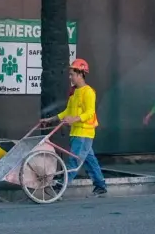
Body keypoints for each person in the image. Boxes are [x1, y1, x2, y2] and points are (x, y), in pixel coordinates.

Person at [40, 58, 107, 197]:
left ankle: (60, 187)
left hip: (84, 133)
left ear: (81, 74)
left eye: (72, 74)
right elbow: (67, 112)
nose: (70, 77)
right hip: (76, 132)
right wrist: (50, 119)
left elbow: (90, 113)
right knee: (89, 159)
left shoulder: (88, 92)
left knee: (74, 160)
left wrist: (74, 119)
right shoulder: (74, 93)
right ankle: (100, 186)